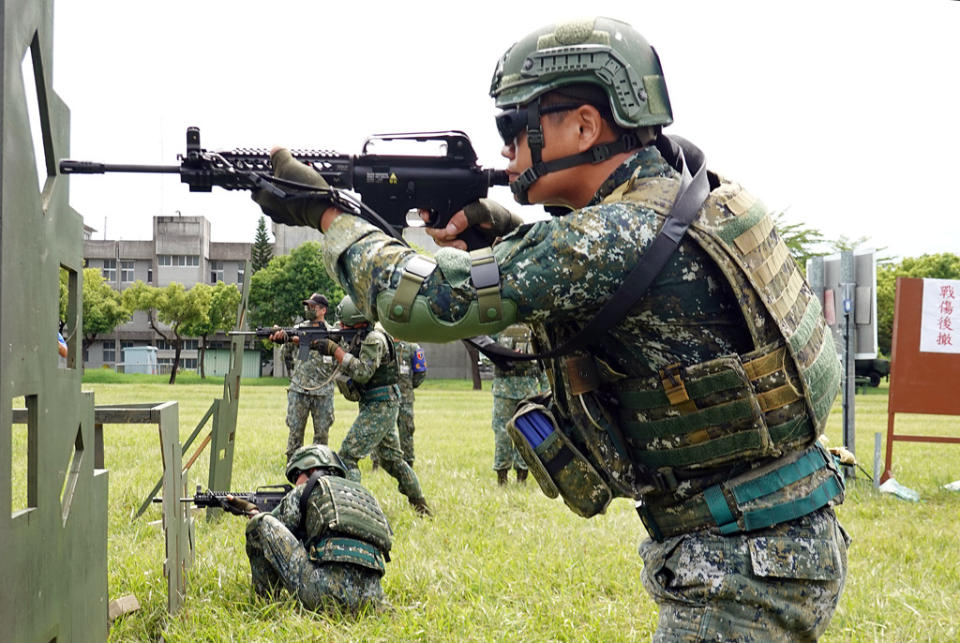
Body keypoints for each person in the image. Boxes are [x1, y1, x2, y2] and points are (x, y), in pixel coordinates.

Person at [253, 16, 847, 640]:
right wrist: (502, 229)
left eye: (515, 126)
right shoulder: (710, 196)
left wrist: (325, 214)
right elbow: (602, 261)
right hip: (783, 534)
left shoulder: (608, 237)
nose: (507, 149)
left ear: (586, 125)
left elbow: (421, 303)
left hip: (740, 569)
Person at [228, 444, 391, 612]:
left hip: (325, 596)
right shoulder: (366, 498)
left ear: (312, 470)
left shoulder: (309, 488)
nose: (295, 483)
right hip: (373, 602)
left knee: (260, 523)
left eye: (297, 475)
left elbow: (274, 531)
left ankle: (263, 603)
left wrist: (253, 512)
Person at [320, 296, 432, 516]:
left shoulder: (374, 339)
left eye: (344, 324)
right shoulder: (362, 333)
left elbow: (362, 373)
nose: (340, 327)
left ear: (356, 321)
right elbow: (329, 333)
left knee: (348, 456)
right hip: (379, 404)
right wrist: (294, 338)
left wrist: (336, 351)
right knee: (392, 460)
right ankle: (422, 507)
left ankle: (352, 510)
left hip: (381, 405)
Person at [270, 293, 337, 462]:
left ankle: (319, 470)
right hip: (299, 389)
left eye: (313, 306)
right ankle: (292, 468)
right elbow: (285, 355)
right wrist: (285, 339)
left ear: (323, 310)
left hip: (323, 391)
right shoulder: (298, 328)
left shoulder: (332, 333)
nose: (309, 309)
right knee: (295, 434)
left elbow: (340, 357)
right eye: (308, 306)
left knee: (322, 436)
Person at [489, 324, 548, 486]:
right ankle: (522, 477)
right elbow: (543, 364)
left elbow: (486, 356)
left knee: (502, 432)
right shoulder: (533, 331)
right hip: (528, 391)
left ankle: (502, 478)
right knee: (525, 432)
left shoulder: (497, 331)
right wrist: (545, 391)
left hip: (503, 390)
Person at [372, 339, 426, 470]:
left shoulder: (412, 347)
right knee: (379, 429)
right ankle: (377, 461)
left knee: (406, 429)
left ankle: (408, 461)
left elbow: (420, 372)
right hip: (384, 395)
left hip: (405, 398)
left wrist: (409, 387)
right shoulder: (381, 344)